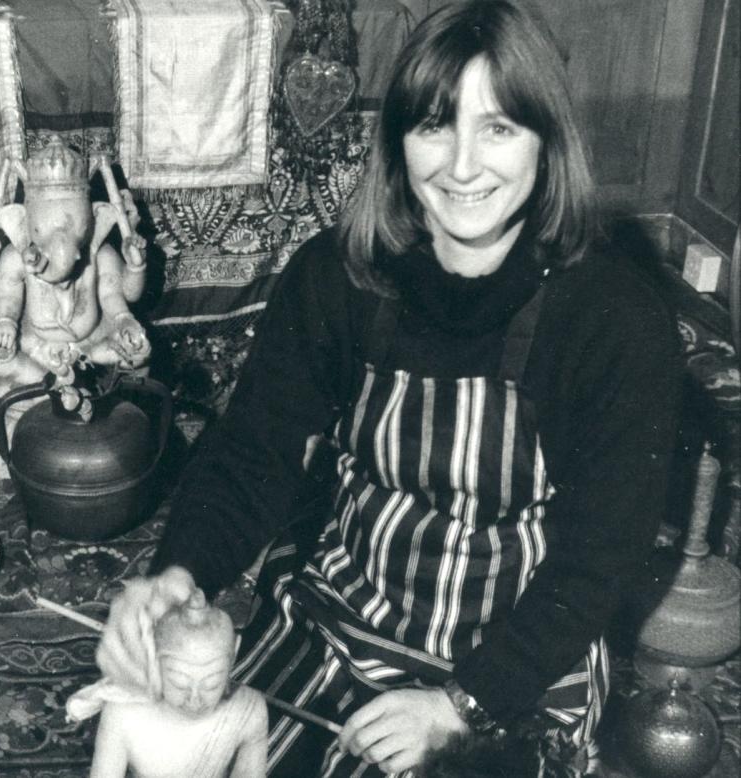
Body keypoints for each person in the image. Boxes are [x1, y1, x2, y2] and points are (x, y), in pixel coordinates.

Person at [96, 1, 682, 775]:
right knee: (170, 746)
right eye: (434, 125)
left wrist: (458, 705)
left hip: (522, 660)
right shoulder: (337, 276)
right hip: (345, 622)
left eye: (499, 128)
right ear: (398, 140)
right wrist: (178, 575)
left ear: (548, 141)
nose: (462, 165)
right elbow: (253, 452)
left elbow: (599, 561)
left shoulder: (615, 318)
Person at [71, 590, 267, 778]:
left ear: (234, 654)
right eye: (180, 685)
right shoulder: (123, 715)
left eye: (212, 685)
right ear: (153, 659)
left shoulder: (249, 709)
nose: (194, 700)